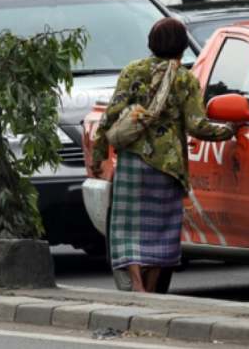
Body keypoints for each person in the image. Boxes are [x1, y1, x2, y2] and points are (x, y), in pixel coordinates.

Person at [91, 17, 237, 293]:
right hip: (167, 168)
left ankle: (136, 284)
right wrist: (229, 130)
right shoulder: (185, 79)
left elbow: (111, 115)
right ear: (182, 46)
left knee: (127, 228)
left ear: (151, 43)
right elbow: (197, 126)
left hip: (132, 162)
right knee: (162, 230)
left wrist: (98, 154)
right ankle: (153, 286)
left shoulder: (132, 71)